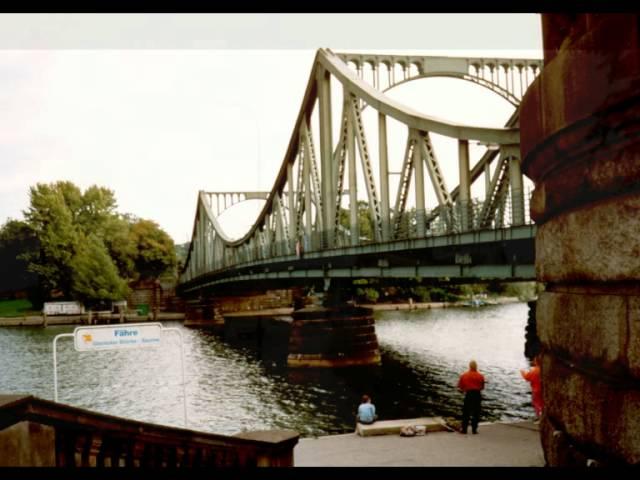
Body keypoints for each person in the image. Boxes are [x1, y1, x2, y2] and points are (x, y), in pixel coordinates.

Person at [457, 360, 485, 434]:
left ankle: (464, 429)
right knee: (476, 413)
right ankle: (474, 430)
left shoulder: (464, 375)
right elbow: (482, 387)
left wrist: (463, 390)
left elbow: (460, 387)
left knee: (466, 412)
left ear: (469, 366)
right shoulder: (481, 376)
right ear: (476, 367)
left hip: (469, 394)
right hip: (477, 395)